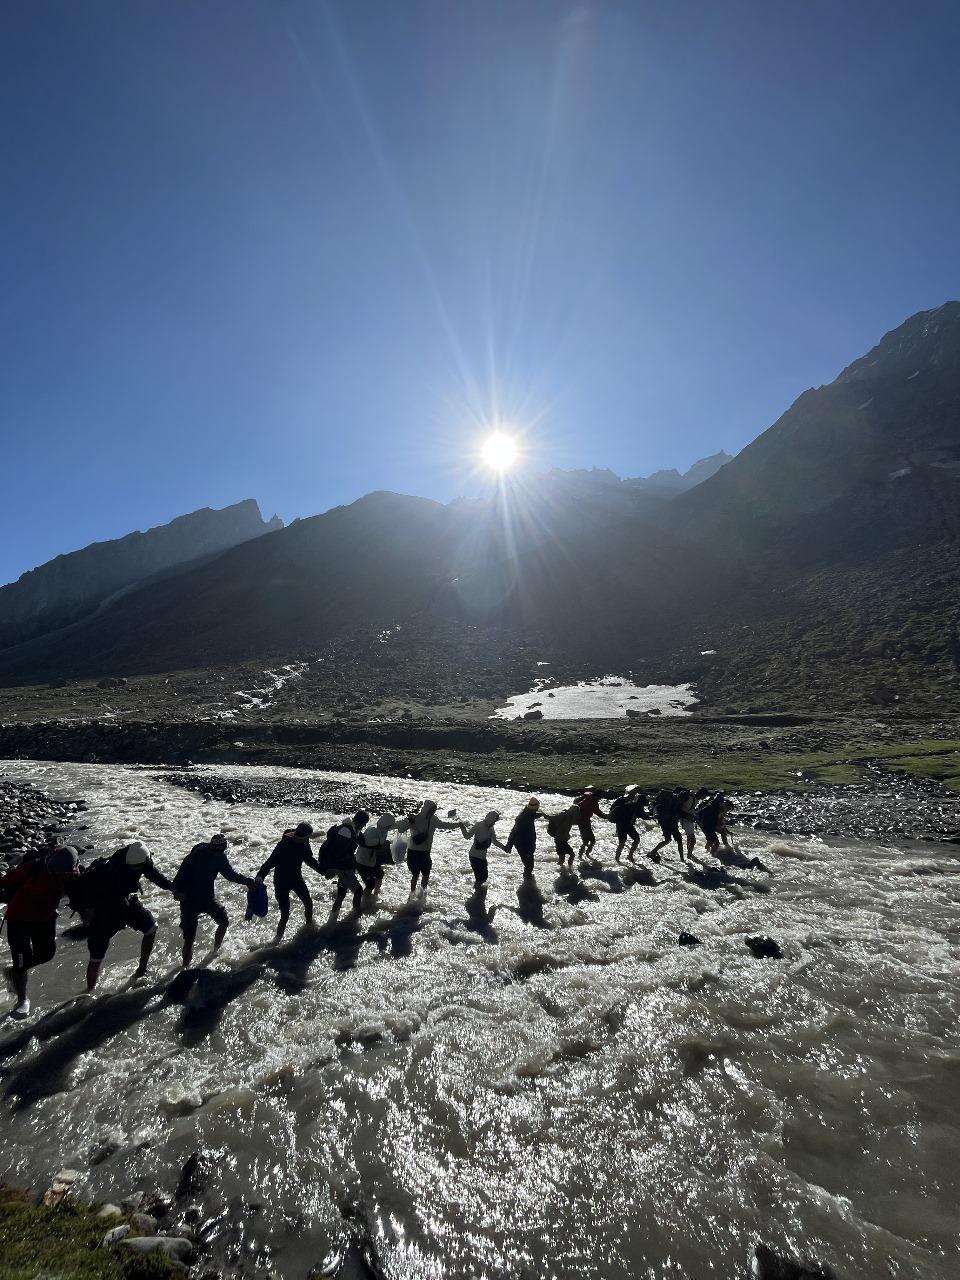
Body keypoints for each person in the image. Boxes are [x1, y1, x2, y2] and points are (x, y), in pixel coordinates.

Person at [83, 842, 175, 991]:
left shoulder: (144, 860)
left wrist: (173, 887)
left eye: (138, 867)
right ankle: (89, 991)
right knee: (96, 955)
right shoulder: (114, 866)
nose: (136, 869)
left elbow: (155, 876)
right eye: (133, 867)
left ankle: (142, 969)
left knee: (151, 928)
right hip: (103, 908)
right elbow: (98, 895)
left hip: (126, 901)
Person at [1, 845, 79, 1018]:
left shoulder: (73, 872)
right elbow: (4, 881)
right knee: (21, 961)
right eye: (52, 872)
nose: (53, 875)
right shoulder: (34, 867)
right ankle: (22, 1000)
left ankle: (14, 972)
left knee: (46, 955)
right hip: (19, 918)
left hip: (45, 917)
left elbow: (78, 893)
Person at [173, 831, 256, 964]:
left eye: (220, 852)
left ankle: (215, 952)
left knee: (224, 922)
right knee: (189, 939)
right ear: (210, 847)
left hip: (207, 898)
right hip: (189, 900)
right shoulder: (195, 855)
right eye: (215, 852)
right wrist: (176, 892)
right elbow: (180, 875)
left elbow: (230, 875)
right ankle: (185, 967)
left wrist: (248, 881)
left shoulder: (220, 857)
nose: (217, 854)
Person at [256, 822, 323, 940]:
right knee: (285, 913)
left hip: (296, 879)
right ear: (301, 836)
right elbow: (269, 862)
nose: (308, 839)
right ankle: (277, 939)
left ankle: (309, 927)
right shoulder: (283, 845)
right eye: (307, 837)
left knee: (308, 903)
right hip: (281, 881)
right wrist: (260, 877)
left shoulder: (304, 842)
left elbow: (309, 859)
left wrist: (323, 871)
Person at [398, 800, 462, 896]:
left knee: (416, 875)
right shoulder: (432, 819)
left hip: (414, 851)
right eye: (433, 810)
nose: (433, 812)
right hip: (423, 852)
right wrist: (458, 824)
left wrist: (407, 820)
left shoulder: (415, 818)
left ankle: (413, 895)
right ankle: (421, 895)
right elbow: (445, 825)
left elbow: (401, 829)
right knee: (424, 874)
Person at [324, 811, 369, 915]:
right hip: (343, 867)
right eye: (364, 823)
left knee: (341, 894)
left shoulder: (353, 829)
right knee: (358, 891)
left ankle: (332, 918)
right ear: (360, 822)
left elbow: (362, 842)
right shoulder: (346, 831)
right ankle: (354, 916)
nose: (364, 826)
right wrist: (333, 869)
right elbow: (337, 852)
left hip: (345, 866)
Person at [461, 811, 507, 889]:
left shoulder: (491, 828)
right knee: (479, 879)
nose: (494, 823)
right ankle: (476, 893)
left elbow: (495, 841)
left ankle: (478, 893)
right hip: (474, 856)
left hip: (482, 857)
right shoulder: (479, 825)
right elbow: (467, 836)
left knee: (484, 877)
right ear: (490, 819)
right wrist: (462, 827)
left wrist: (504, 848)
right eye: (494, 821)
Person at [356, 813, 397, 896]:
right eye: (389, 826)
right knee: (370, 884)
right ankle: (364, 901)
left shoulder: (383, 830)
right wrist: (381, 845)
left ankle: (375, 895)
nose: (390, 828)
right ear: (385, 823)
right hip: (363, 861)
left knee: (380, 874)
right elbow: (366, 843)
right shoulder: (373, 830)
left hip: (372, 859)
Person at [608, 786, 649, 860]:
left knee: (634, 840)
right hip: (622, 824)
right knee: (623, 842)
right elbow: (641, 814)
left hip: (627, 824)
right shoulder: (628, 803)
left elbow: (641, 814)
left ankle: (628, 856)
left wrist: (651, 816)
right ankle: (618, 858)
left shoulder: (634, 802)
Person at [505, 798, 542, 877]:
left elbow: (533, 816)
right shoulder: (522, 819)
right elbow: (513, 832)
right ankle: (527, 881)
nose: (537, 810)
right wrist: (509, 845)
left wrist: (542, 815)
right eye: (537, 808)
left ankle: (527, 880)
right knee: (529, 865)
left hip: (527, 844)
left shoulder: (528, 813)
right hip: (523, 845)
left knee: (529, 865)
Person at [544, 803, 583, 867]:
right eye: (577, 812)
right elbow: (554, 818)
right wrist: (546, 816)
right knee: (568, 856)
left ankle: (565, 869)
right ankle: (565, 869)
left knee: (566, 857)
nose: (577, 814)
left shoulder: (571, 817)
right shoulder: (564, 814)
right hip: (559, 840)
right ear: (573, 811)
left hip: (563, 840)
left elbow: (575, 822)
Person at [650, 789, 684, 859]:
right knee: (668, 839)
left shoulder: (676, 802)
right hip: (665, 822)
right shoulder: (666, 801)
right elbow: (656, 807)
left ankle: (682, 858)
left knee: (678, 840)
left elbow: (679, 812)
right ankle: (653, 851)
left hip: (672, 822)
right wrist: (656, 815)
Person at [574, 786, 608, 856]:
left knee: (586, 841)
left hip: (581, 821)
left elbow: (575, 802)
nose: (600, 799)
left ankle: (581, 855)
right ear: (598, 796)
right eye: (600, 797)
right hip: (585, 822)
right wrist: (609, 816)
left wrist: (607, 816)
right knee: (592, 841)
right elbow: (599, 813)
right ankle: (586, 854)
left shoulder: (587, 798)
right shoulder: (593, 802)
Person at [676, 788, 698, 858]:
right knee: (693, 840)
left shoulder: (684, 801)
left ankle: (689, 854)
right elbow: (680, 812)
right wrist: (689, 816)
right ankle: (689, 855)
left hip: (687, 820)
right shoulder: (691, 798)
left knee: (689, 837)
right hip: (685, 820)